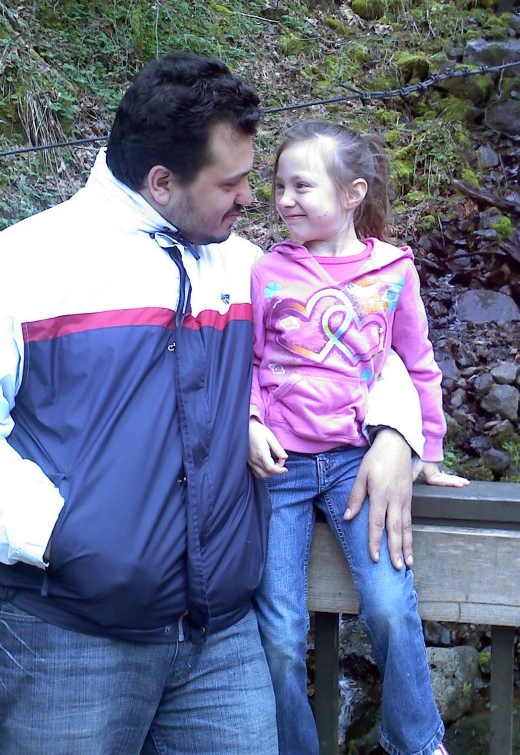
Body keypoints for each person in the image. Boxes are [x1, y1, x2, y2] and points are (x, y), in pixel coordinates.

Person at [0, 53, 421, 754]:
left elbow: (356, 342)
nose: (253, 198)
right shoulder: (27, 264)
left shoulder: (246, 266)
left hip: (221, 643)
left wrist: (394, 433)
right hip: (68, 636)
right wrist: (59, 537)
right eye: (231, 182)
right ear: (162, 182)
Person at [248, 119, 469, 755]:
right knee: (281, 635)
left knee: (391, 607)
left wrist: (427, 451)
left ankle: (417, 741)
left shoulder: (395, 271)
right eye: (279, 186)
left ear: (351, 194)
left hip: (355, 463)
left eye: (302, 186)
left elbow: (417, 361)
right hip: (279, 469)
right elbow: (249, 365)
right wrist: (253, 422)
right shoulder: (267, 273)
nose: (285, 199)